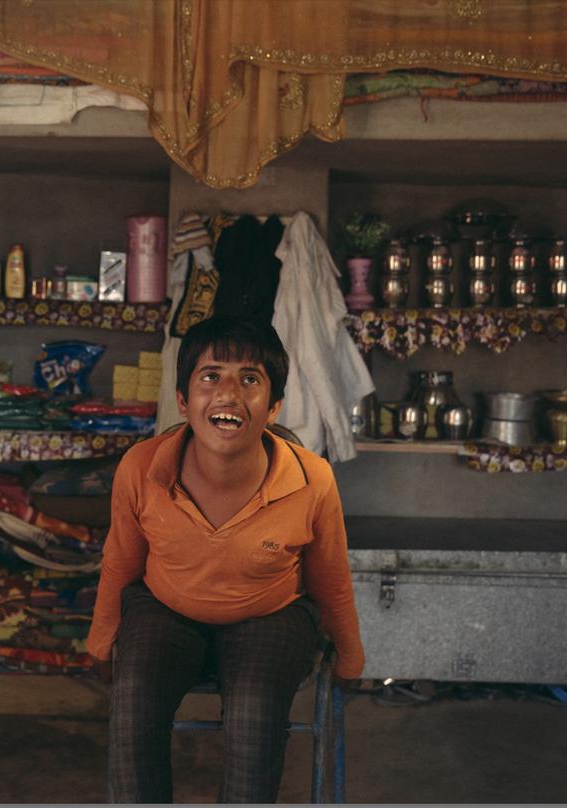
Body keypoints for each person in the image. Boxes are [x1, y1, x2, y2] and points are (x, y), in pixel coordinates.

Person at [86, 316, 365, 803]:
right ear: (182, 399)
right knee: (132, 705)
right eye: (210, 376)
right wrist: (100, 640)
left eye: (250, 379)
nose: (228, 392)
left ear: (274, 405)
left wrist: (350, 652)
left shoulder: (312, 478)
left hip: (271, 614)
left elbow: (330, 576)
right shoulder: (141, 467)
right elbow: (121, 563)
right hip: (165, 608)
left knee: (255, 714)